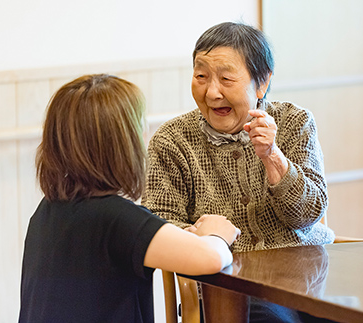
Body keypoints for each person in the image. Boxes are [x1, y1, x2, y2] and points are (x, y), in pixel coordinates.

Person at [142, 22, 335, 322]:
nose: (212, 92)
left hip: (311, 279)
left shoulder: (295, 122)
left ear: (262, 82)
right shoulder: (172, 141)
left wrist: (273, 158)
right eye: (201, 77)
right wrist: (205, 238)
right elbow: (158, 226)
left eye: (226, 78)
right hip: (231, 292)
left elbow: (309, 213)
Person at [19, 74, 240, 323]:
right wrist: (217, 234)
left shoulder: (47, 211)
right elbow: (210, 258)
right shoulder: (115, 219)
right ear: (123, 145)